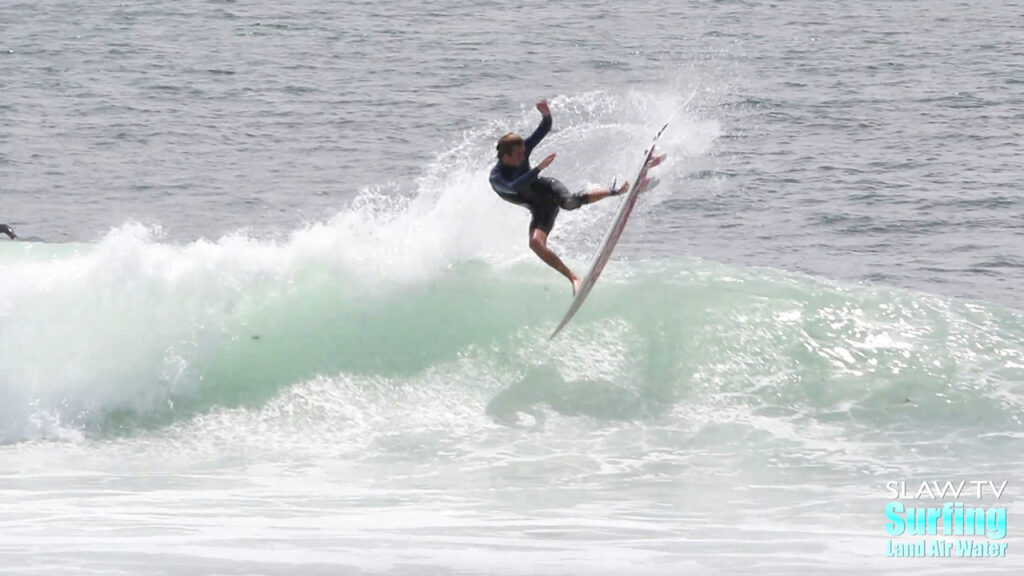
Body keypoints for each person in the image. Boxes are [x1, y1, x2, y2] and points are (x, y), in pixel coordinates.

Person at [489, 100, 629, 295]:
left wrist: (546, 115)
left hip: (548, 188)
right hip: (540, 208)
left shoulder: (521, 149)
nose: (524, 156)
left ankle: (617, 191)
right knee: (535, 244)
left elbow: (544, 128)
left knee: (570, 203)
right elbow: (514, 186)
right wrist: (538, 168)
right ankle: (573, 278)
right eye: (519, 155)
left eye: (524, 152)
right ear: (506, 156)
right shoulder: (497, 177)